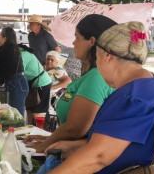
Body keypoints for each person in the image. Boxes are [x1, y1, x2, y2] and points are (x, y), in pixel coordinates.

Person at [47, 22, 154, 174]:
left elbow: (99, 157)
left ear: (107, 55)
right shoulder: (150, 83)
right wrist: (77, 146)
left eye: (97, 58)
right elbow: (124, 141)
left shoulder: (131, 97)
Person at [24, 14, 115, 153]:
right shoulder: (90, 75)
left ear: (91, 41)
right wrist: (47, 139)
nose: (73, 43)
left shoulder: (96, 77)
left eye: (77, 37)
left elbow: (75, 129)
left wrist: (42, 147)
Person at [18, 43, 52, 124]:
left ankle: (40, 133)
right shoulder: (19, 53)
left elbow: (18, 70)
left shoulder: (23, 54)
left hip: (42, 83)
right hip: (33, 84)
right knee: (29, 110)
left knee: (37, 112)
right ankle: (30, 132)